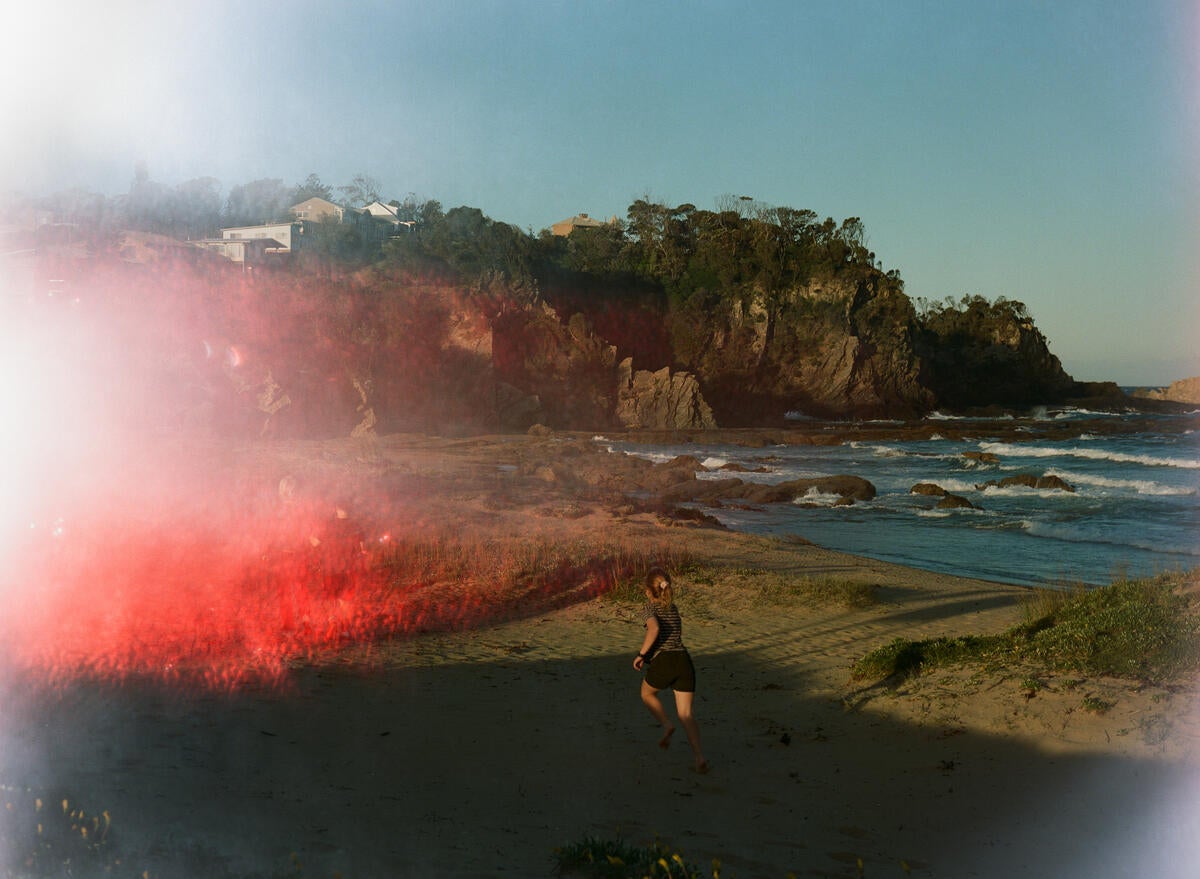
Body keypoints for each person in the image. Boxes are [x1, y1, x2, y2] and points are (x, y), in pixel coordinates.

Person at [633, 566, 709, 773]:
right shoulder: (672, 608)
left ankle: (666, 725)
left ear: (648, 591)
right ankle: (699, 757)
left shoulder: (649, 609)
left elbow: (654, 629)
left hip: (665, 660)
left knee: (646, 694)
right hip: (684, 661)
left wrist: (641, 655)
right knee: (686, 714)